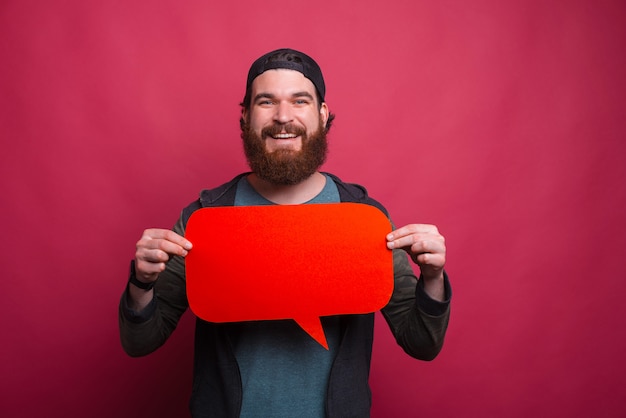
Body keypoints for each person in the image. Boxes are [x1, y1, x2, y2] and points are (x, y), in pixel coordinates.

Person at [119, 48, 451, 418]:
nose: (283, 117)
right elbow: (141, 342)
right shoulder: (205, 218)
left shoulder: (363, 217)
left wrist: (433, 278)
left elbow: (421, 341)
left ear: (322, 115)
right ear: (245, 117)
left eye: (299, 100)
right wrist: (141, 283)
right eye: (266, 101)